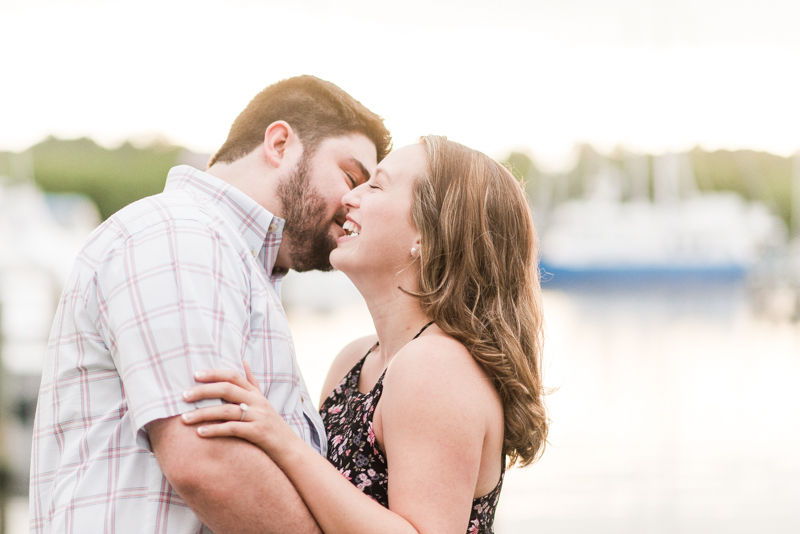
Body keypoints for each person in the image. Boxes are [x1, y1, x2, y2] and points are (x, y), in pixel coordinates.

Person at [30, 75, 391, 534]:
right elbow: (207, 462)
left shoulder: (229, 257)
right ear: (279, 143)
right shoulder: (181, 234)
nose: (355, 201)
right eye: (350, 176)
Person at [179, 136, 549, 534]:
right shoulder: (353, 361)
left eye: (376, 185)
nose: (350, 198)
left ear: (428, 233)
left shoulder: (434, 365)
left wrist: (283, 443)